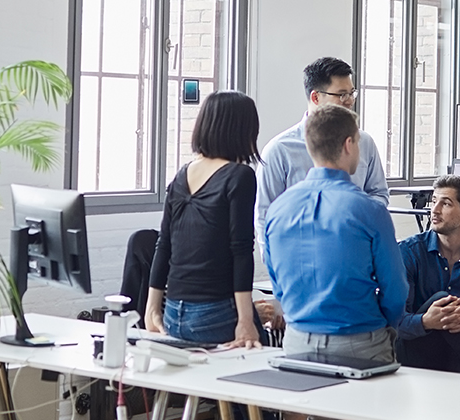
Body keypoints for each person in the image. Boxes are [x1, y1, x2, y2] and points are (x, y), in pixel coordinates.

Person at [263, 104, 408, 362]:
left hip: (296, 341)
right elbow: (395, 288)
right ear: (349, 144)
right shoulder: (369, 210)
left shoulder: (277, 210)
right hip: (361, 341)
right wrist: (384, 325)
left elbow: (277, 281)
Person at [144, 91, 268, 349]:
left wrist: (152, 308)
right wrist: (246, 320)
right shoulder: (240, 176)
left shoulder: (181, 175)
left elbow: (163, 244)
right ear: (243, 131)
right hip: (214, 312)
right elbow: (241, 251)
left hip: (173, 313)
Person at [256, 57, 389, 244]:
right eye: (342, 94)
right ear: (316, 97)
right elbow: (264, 213)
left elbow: (379, 194)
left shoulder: (364, 142)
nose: (350, 101)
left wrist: (356, 215)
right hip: (299, 257)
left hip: (352, 250)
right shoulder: (280, 150)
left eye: (352, 93)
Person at [395, 175, 460, 376]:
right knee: (443, 300)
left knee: (450, 307)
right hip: (414, 356)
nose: (434, 210)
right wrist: (426, 321)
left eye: (445, 203)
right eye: (434, 201)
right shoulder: (409, 252)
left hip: (458, 356)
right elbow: (396, 324)